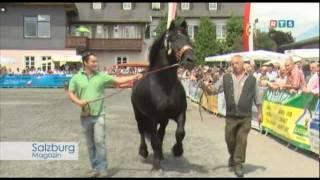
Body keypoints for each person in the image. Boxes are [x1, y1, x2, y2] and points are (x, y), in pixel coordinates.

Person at [67, 52, 142, 177]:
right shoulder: (76, 78)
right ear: (85, 62)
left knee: (99, 142)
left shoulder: (101, 76)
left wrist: (134, 77)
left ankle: (102, 169)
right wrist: (79, 102)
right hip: (85, 116)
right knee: (90, 144)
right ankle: (94, 168)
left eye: (96, 61)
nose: (96, 64)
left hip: (99, 115)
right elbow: (70, 93)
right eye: (93, 61)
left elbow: (117, 80)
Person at [201, 55, 262, 178]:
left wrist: (260, 113)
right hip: (231, 116)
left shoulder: (252, 80)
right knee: (229, 139)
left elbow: (258, 97)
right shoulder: (226, 78)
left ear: (243, 63)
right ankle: (233, 155)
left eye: (237, 63)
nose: (234, 65)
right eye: (232, 63)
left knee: (241, 139)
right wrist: (205, 86)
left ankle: (238, 163)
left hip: (245, 117)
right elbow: (214, 90)